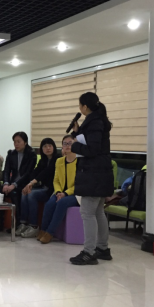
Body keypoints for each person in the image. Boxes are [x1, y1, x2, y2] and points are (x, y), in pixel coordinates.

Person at [69, 92, 115, 266]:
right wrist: (78, 132)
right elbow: (93, 142)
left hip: (94, 173)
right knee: (98, 212)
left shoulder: (94, 122)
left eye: (80, 105)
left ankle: (89, 252)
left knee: (87, 213)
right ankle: (102, 248)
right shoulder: (97, 120)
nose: (79, 108)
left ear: (85, 107)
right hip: (100, 172)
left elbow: (93, 149)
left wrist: (74, 146)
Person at [38, 135, 80, 244]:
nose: (67, 146)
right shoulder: (59, 161)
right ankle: (43, 230)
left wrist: (65, 193)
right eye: (65, 143)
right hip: (60, 192)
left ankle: (50, 233)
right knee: (49, 204)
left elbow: (79, 183)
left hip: (76, 194)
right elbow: (56, 180)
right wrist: (58, 192)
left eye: (70, 143)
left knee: (62, 203)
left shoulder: (80, 162)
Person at [18, 138, 58, 238]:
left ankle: (34, 226)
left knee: (32, 195)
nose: (48, 148)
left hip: (52, 190)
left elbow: (46, 172)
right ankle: (23, 223)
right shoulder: (43, 160)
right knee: (25, 193)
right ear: (41, 149)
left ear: (54, 147)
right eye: (45, 146)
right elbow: (35, 173)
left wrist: (32, 183)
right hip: (43, 188)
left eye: (50, 146)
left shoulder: (58, 159)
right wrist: (28, 185)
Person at [0, 132, 37, 232]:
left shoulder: (31, 154)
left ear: (25, 142)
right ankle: (0, 223)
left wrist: (14, 185)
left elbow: (28, 173)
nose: (16, 144)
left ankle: (18, 224)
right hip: (12, 183)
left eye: (18, 142)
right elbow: (6, 170)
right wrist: (6, 183)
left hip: (24, 183)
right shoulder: (11, 153)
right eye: (14, 142)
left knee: (15, 193)